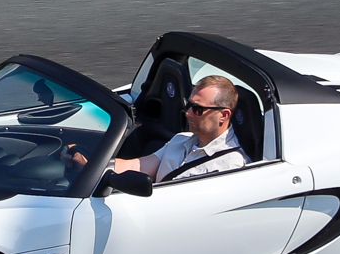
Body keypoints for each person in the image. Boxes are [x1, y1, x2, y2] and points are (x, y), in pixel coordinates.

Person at [106, 74, 249, 183]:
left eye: (198, 109)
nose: (188, 113)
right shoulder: (180, 139)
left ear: (223, 115)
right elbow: (138, 166)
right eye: (189, 105)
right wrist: (91, 165)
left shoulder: (231, 166)